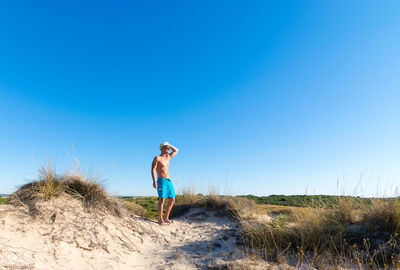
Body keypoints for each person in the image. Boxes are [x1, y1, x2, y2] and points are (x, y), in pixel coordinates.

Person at [151, 142, 179, 225]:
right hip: (161, 181)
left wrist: (169, 144)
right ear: (162, 149)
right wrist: (154, 181)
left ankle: (166, 217)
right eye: (166, 148)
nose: (168, 149)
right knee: (162, 200)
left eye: (168, 148)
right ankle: (160, 220)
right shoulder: (157, 158)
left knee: (172, 199)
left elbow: (176, 150)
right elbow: (153, 169)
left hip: (168, 180)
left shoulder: (168, 157)